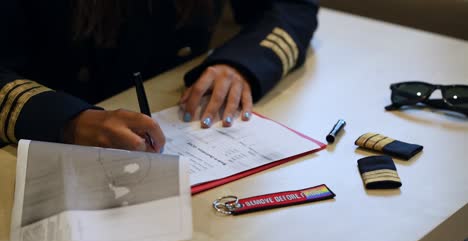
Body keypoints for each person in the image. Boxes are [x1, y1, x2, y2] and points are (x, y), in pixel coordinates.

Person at [0, 0, 319, 153]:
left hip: (169, 116)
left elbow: (292, 5)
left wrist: (241, 64)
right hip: (35, 146)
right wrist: (68, 121)